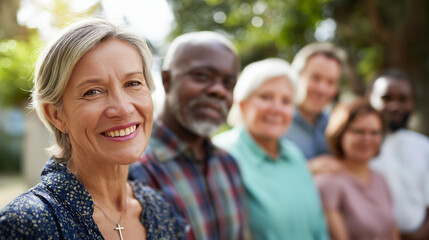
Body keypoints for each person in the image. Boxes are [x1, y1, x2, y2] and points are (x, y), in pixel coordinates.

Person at [0, 19, 186, 239]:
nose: (123, 109)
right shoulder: (27, 224)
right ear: (56, 115)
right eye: (93, 92)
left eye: (133, 83)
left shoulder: (161, 213)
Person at [128, 31, 247, 240]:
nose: (219, 91)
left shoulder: (229, 164)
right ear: (167, 80)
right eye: (202, 76)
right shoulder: (133, 169)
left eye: (228, 83)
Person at [213, 58, 329, 240]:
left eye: (286, 101)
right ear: (242, 104)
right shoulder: (222, 154)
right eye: (265, 97)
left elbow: (319, 227)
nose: (277, 109)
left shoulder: (294, 155)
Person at [316, 99, 399, 240]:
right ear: (340, 133)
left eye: (374, 133)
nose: (367, 139)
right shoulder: (328, 182)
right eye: (359, 131)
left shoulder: (380, 180)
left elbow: (393, 231)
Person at [369, 69, 429, 240]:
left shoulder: (424, 146)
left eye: (403, 99)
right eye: (386, 98)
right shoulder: (359, 147)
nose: (395, 106)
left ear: (413, 102)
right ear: (369, 97)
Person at [284, 42, 346, 162]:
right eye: (315, 78)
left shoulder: (336, 126)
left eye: (331, 82)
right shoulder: (276, 123)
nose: (322, 89)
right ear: (296, 76)